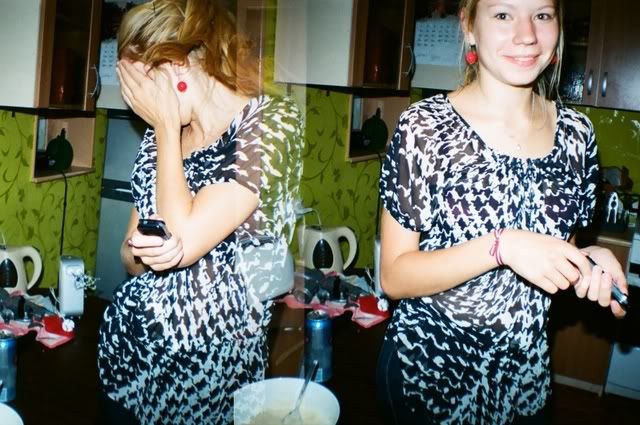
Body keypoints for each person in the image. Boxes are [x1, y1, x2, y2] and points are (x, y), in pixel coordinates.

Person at [376, 0, 628, 424]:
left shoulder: (578, 136)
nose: (526, 35)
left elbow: (551, 254)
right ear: (468, 25)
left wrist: (587, 262)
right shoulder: (424, 128)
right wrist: (500, 246)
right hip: (430, 375)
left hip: (523, 382)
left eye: (542, 15)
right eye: (503, 14)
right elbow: (394, 277)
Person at [96, 1, 303, 424]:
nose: (139, 107)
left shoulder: (269, 125)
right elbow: (129, 258)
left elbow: (184, 238)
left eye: (142, 88)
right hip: (128, 361)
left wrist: (165, 127)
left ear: (176, 65)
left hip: (209, 383)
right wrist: (143, 252)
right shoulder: (160, 137)